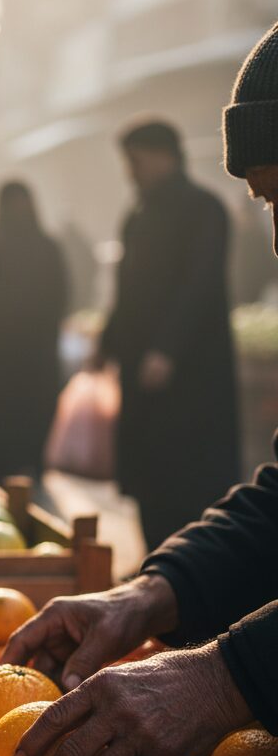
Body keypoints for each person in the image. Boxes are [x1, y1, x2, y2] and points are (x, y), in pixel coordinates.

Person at [3, 22, 278, 756]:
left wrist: (226, 680)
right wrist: (152, 594)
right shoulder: (140, 214)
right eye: (266, 200)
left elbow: (193, 292)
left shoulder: (192, 216)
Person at [98, 120, 240, 551]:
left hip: (191, 370)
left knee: (191, 473)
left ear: (165, 156)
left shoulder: (204, 209)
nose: (131, 172)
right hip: (143, 371)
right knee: (148, 473)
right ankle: (154, 554)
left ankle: (192, 560)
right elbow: (126, 289)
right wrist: (107, 340)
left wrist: (166, 349)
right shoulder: (138, 215)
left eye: (136, 161)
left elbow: (199, 286)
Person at [0, 181, 69, 479]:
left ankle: (24, 470)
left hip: (28, 350)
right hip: (4, 351)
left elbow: (59, 296)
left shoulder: (44, 247)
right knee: (3, 421)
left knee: (27, 418)